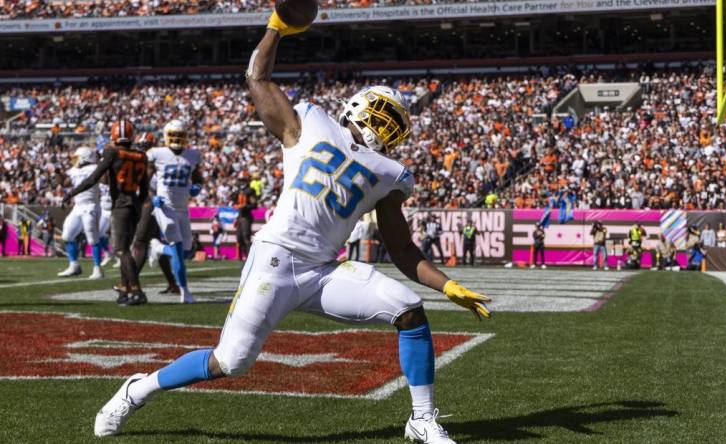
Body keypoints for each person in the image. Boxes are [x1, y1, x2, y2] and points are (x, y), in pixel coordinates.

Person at [93, 18, 491, 444]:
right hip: (276, 262)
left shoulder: (390, 172)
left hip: (323, 271)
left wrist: (447, 286)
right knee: (230, 362)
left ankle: (422, 419)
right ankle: (137, 390)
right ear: (358, 106)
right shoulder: (312, 122)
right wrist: (276, 28)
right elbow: (257, 77)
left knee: (409, 308)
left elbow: (402, 248)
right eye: (384, 112)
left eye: (396, 119)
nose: (389, 124)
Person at [63, 119, 150, 305]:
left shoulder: (113, 151)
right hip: (134, 204)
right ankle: (125, 289)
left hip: (121, 205)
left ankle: (136, 290)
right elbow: (144, 190)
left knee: (121, 250)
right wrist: (136, 205)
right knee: (125, 249)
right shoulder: (142, 156)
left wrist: (71, 193)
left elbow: (93, 178)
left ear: (115, 135)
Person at [146, 120, 204, 304]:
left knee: (186, 251)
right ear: (166, 136)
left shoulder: (193, 155)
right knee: (178, 250)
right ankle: (185, 292)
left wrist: (197, 187)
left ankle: (157, 248)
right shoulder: (157, 154)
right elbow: (144, 181)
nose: (177, 139)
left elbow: (197, 177)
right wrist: (151, 197)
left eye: (180, 135)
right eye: (173, 135)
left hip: (182, 208)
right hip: (165, 207)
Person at [129, 132, 179, 297]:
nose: (142, 150)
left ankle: (131, 282)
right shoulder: (149, 161)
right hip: (152, 204)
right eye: (140, 146)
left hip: (153, 205)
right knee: (155, 243)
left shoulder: (157, 162)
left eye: (145, 146)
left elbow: (154, 188)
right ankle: (173, 283)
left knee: (141, 241)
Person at [58, 147, 105, 279]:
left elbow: (103, 181)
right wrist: (58, 173)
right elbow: (65, 183)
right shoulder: (74, 170)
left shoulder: (94, 168)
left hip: (91, 206)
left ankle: (98, 269)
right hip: (78, 207)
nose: (75, 160)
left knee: (92, 238)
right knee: (67, 235)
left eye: (77, 157)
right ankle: (74, 265)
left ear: (85, 157)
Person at [234, 178, 257, 261]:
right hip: (240, 217)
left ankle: (250, 257)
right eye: (240, 181)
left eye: (242, 181)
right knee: (239, 238)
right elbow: (234, 201)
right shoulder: (239, 191)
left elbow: (254, 205)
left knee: (246, 237)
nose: (240, 183)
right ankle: (245, 256)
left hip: (246, 217)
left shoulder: (250, 191)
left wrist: (244, 206)